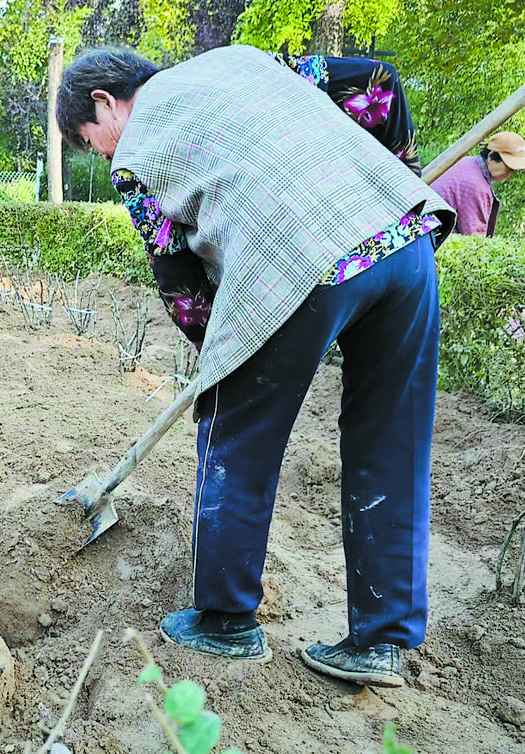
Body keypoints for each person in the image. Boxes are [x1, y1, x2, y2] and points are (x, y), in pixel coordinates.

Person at [57, 46, 455, 687]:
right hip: (402, 240)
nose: (104, 155)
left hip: (295, 262)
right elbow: (378, 79)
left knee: (231, 430)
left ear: (104, 103)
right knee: (393, 441)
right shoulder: (247, 61)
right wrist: (394, 171)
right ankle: (380, 641)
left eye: (91, 141)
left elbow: (180, 280)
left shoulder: (138, 157)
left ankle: (225, 620)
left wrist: (216, 359)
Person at [429, 130, 525, 236]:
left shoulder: (467, 162)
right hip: (430, 236)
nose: (510, 173)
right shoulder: (477, 187)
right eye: (509, 167)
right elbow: (474, 237)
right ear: (491, 157)